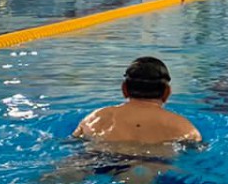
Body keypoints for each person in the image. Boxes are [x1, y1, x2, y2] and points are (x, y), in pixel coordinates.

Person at [72, 56, 201, 147]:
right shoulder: (184, 128)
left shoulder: (94, 119)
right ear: (167, 92)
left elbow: (73, 142)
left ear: (124, 89)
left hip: (99, 156)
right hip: (152, 163)